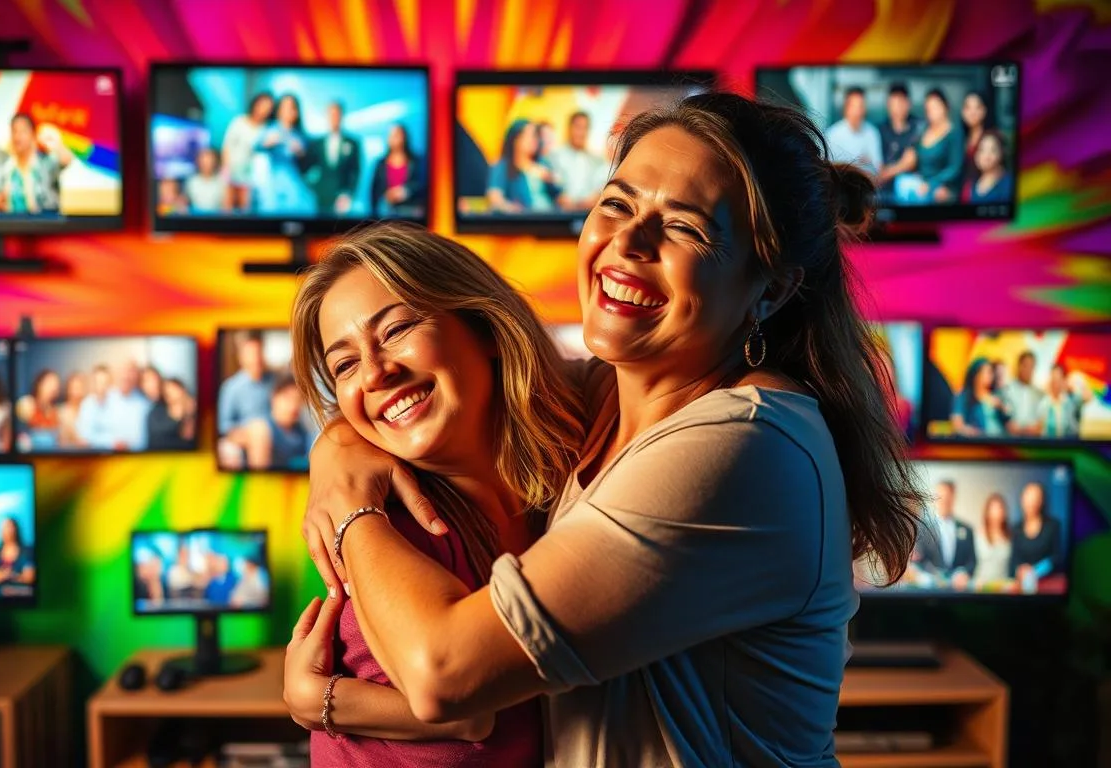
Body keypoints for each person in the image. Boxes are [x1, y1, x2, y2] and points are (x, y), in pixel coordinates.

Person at [296, 93, 923, 766]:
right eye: (617, 204)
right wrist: (337, 444)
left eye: (684, 228)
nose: (626, 244)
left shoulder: (745, 445)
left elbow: (443, 672)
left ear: (768, 291)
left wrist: (353, 513)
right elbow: (433, 381)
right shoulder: (610, 396)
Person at [283, 222, 582, 765]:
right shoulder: (393, 533)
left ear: (485, 326)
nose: (375, 373)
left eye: (396, 330)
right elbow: (462, 709)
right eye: (345, 364)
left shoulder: (574, 478)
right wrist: (323, 700)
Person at [896, 89, 963, 204]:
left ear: (946, 106)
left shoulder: (954, 133)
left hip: (942, 184)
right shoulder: (924, 129)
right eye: (929, 109)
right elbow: (915, 156)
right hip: (921, 181)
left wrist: (932, 183)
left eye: (936, 107)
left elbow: (954, 168)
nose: (932, 112)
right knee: (901, 183)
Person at [252, 94, 315, 216]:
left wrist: (301, 153)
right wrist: (267, 143)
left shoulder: (299, 135)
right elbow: (256, 148)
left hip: (295, 182)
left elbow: (308, 163)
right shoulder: (270, 129)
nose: (288, 112)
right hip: (273, 181)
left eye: (291, 108)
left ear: (296, 112)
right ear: (278, 110)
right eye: (285, 107)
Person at [0, 112, 73, 214]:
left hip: (45, 226)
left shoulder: (45, 163)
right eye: (14, 131)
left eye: (23, 131)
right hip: (15, 227)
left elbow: (66, 159)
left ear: (33, 134)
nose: (17, 136)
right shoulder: (7, 168)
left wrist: (53, 142)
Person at [487, 119, 560, 213]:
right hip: (524, 222)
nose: (534, 140)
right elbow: (494, 197)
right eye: (530, 135)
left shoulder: (543, 163)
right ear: (516, 140)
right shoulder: (503, 166)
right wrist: (513, 209)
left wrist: (551, 178)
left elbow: (559, 193)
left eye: (536, 136)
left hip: (551, 219)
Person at [915, 480, 977, 587]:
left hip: (959, 590)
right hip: (932, 590)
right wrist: (932, 575)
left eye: (948, 497)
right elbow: (919, 560)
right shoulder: (924, 529)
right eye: (940, 497)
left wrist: (964, 573)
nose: (944, 501)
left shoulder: (966, 529)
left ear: (953, 498)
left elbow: (972, 561)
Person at [222, 92, 276, 211]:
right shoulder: (239, 121)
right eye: (262, 105)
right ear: (255, 104)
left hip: (250, 174)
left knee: (245, 208)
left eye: (268, 107)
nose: (264, 110)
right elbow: (227, 146)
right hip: (231, 169)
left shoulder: (267, 128)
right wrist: (226, 170)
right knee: (227, 208)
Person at [547, 111, 610, 211]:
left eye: (585, 128)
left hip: (588, 215)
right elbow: (552, 187)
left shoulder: (597, 160)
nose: (581, 132)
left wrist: (593, 199)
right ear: (569, 128)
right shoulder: (555, 156)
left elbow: (602, 189)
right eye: (578, 127)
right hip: (561, 217)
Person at [1010, 482, 1063, 591]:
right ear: (1022, 500)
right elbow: (1013, 560)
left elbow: (1057, 557)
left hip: (1047, 584)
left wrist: (1035, 571)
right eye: (1028, 498)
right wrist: (1020, 570)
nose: (1031, 502)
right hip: (1023, 586)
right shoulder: (1016, 528)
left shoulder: (1052, 525)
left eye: (1035, 498)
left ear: (1041, 501)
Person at [369, 123, 426, 218]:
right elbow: (374, 192)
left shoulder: (416, 161)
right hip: (386, 215)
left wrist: (405, 192)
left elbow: (422, 186)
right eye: (391, 135)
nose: (394, 138)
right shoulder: (380, 163)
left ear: (404, 137)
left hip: (411, 214)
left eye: (397, 135)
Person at [824, 86, 882, 175]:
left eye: (861, 106)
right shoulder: (832, 134)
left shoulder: (872, 132)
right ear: (846, 108)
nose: (858, 111)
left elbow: (878, 168)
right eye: (854, 106)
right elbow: (827, 168)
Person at [877, 83, 924, 194]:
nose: (897, 108)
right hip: (884, 191)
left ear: (908, 104)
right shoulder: (880, 129)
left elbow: (910, 161)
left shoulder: (918, 126)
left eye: (901, 103)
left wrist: (886, 173)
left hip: (910, 189)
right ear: (888, 105)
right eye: (894, 103)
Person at [0, 517, 34, 598]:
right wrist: (5, 575)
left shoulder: (27, 551)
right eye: (4, 528)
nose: (7, 531)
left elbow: (29, 577)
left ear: (16, 529)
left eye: (9, 527)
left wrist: (10, 575)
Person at [1038, 363, 1088, 438]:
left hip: (1069, 444)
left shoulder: (1071, 400)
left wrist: (1071, 388)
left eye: (1058, 378)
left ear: (1064, 380)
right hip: (1048, 445)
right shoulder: (1044, 402)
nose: (1055, 383)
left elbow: (1087, 397)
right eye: (1053, 378)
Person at [973, 493, 1013, 587]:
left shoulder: (1010, 536)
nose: (997, 512)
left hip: (1003, 587)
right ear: (987, 511)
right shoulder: (977, 534)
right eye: (993, 508)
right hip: (980, 587)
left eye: (1000, 508)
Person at [16, 369, 61, 451]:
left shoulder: (56, 411)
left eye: (56, 385)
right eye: (49, 383)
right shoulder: (26, 404)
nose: (53, 388)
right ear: (39, 384)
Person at [147, 377, 197, 451]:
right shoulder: (158, 413)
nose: (172, 394)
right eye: (167, 393)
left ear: (183, 389)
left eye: (174, 389)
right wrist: (177, 418)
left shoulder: (195, 407)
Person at [964, 130, 1013, 204]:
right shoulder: (971, 186)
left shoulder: (1008, 184)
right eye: (982, 150)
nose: (986, 156)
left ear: (1001, 153)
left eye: (993, 150)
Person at [1002, 350, 1043, 437]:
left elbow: (1041, 425)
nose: (1028, 370)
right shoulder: (1007, 390)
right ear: (1019, 366)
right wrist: (1021, 430)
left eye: (1031, 367)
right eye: (1025, 365)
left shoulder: (1039, 394)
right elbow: (1008, 423)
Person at [75, 365, 115, 450]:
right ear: (94, 382)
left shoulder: (116, 403)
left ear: (110, 383)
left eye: (105, 382)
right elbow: (84, 438)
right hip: (92, 454)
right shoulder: (86, 404)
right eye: (99, 381)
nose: (102, 386)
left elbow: (118, 434)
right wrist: (110, 441)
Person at [960, 91, 993, 187]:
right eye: (968, 108)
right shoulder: (961, 137)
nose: (972, 112)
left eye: (977, 108)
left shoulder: (990, 138)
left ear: (984, 111)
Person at [185, 147, 229, 213]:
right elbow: (184, 205)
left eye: (209, 160)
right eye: (203, 160)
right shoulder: (191, 182)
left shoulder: (222, 182)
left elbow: (226, 208)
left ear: (215, 162)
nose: (206, 164)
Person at [57, 372, 89, 449]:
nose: (77, 392)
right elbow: (61, 441)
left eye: (80, 387)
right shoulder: (61, 411)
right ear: (68, 390)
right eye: (74, 388)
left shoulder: (88, 409)